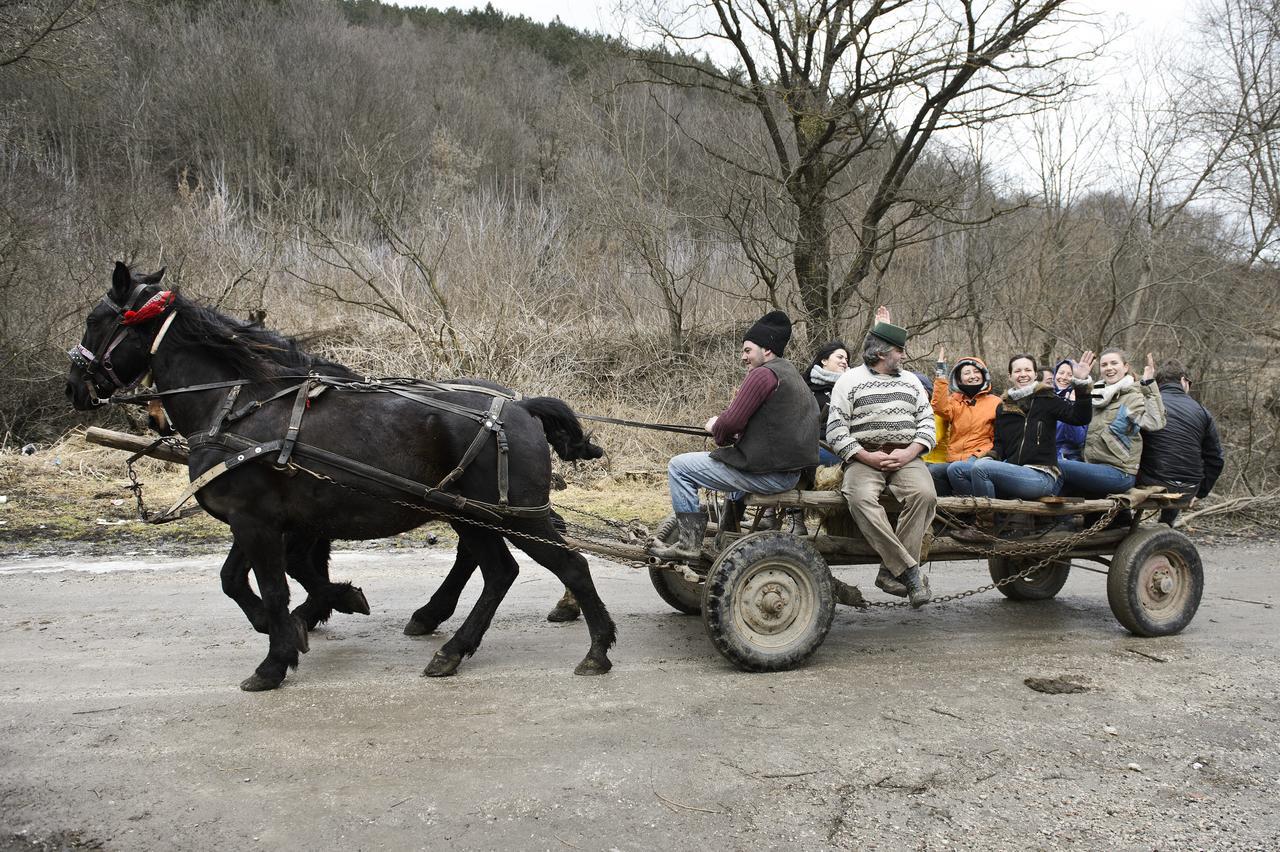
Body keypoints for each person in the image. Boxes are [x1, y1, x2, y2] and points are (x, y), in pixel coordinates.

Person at [649, 311, 819, 563]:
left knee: (678, 467)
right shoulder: (790, 374)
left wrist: (716, 426)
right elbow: (769, 426)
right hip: (788, 473)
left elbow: (731, 422)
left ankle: (688, 545)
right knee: (724, 462)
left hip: (770, 475)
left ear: (768, 350)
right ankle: (727, 535)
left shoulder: (763, 374)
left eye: (748, 350)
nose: (743, 356)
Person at [826, 317, 936, 607]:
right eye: (899, 350)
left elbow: (927, 424)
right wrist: (865, 456)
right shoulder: (849, 381)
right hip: (864, 457)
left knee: (925, 495)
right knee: (859, 497)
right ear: (879, 354)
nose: (904, 355)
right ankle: (909, 572)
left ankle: (889, 571)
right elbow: (836, 430)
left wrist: (910, 452)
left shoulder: (912, 381)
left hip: (906, 457)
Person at [949, 353, 1094, 537]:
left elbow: (1079, 417)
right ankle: (996, 517)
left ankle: (985, 528)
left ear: (1035, 374)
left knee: (982, 469)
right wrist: (984, 458)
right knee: (957, 469)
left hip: (1041, 476)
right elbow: (999, 446)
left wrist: (1081, 386)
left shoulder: (1047, 399)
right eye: (1017, 370)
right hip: (1014, 472)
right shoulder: (1004, 407)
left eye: (1027, 370)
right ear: (1010, 376)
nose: (1022, 374)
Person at [1059, 349, 1167, 498]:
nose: (1108, 368)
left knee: (1058, 466)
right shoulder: (1095, 397)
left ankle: (1056, 520)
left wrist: (1148, 384)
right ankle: (1056, 520)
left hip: (1119, 472)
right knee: (1053, 466)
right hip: (1091, 467)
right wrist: (1080, 381)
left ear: (1126, 367)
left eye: (1114, 363)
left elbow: (1155, 423)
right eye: (1104, 365)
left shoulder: (1132, 398)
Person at [1136, 360, 1224, 526]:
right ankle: (1166, 524)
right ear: (1183, 381)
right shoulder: (1202, 412)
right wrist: (1200, 492)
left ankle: (1123, 521)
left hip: (1151, 482)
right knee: (1176, 472)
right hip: (1188, 488)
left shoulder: (1147, 404)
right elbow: (1216, 459)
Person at [929, 347, 999, 497]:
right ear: (959, 379)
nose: (973, 376)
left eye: (976, 372)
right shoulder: (955, 401)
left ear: (984, 375)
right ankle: (952, 513)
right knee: (934, 471)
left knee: (956, 470)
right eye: (967, 373)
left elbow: (1001, 437)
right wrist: (941, 372)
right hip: (955, 458)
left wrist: (988, 454)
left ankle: (974, 513)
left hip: (980, 457)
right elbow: (939, 407)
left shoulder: (995, 402)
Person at [805, 340, 850, 467]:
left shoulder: (851, 387)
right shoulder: (805, 386)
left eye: (846, 359)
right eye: (840, 357)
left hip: (842, 445)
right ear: (824, 361)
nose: (844, 362)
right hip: (811, 444)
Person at [1052, 358, 1087, 462]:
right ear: (1055, 375)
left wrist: (1071, 406)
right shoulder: (1046, 397)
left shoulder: (1082, 400)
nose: (1064, 377)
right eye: (1061, 373)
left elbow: (1077, 440)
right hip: (1046, 456)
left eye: (1070, 375)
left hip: (1069, 459)